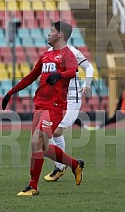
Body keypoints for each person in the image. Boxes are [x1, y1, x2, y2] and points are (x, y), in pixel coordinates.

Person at [2, 21, 84, 196]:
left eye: (52, 31)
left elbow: (73, 71)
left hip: (54, 107)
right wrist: (10, 93)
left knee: (36, 143)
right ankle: (75, 165)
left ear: (60, 35)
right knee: (43, 148)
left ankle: (33, 186)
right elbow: (32, 76)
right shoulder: (46, 56)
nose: (48, 34)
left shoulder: (67, 54)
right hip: (40, 106)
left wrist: (59, 75)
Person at [43, 45, 94, 182]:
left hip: (72, 98)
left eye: (51, 32)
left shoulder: (72, 51)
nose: (48, 35)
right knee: (47, 133)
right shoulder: (48, 52)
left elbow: (89, 67)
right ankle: (62, 166)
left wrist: (87, 84)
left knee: (56, 132)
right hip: (57, 98)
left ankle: (60, 167)